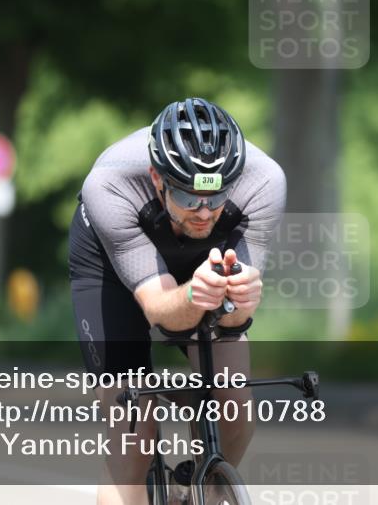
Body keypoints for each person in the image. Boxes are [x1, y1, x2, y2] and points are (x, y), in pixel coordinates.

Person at [68, 97, 286, 505]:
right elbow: (161, 310)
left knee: (236, 410)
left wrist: (242, 302)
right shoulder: (110, 184)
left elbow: (233, 320)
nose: (203, 213)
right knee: (133, 430)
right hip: (110, 269)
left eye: (215, 197)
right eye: (188, 198)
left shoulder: (265, 183)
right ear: (156, 178)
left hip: (204, 262)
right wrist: (191, 294)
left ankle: (193, 494)